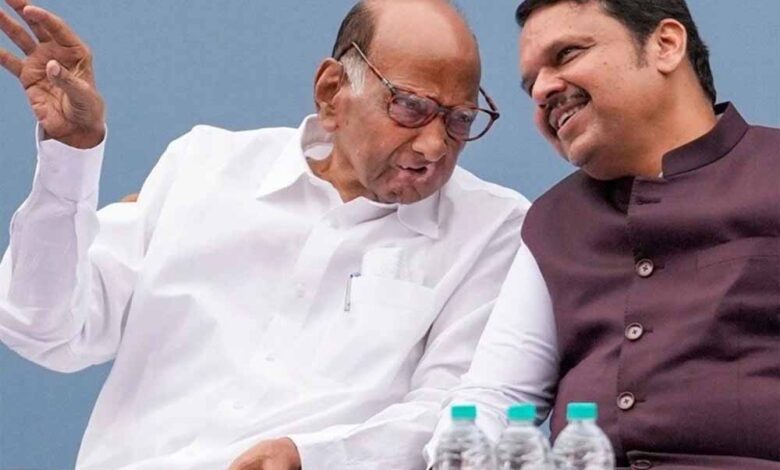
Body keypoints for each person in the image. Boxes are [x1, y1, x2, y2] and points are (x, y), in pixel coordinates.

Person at [0, 0, 530, 469]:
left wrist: (311, 457)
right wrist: (71, 155)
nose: (436, 145)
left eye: (460, 120)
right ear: (331, 92)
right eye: (410, 106)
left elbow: (459, 412)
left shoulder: (490, 229)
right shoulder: (203, 166)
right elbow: (45, 329)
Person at [426, 0, 780, 468]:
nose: (542, 91)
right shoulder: (554, 223)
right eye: (531, 85)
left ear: (665, 45)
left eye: (567, 54)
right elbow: (496, 396)